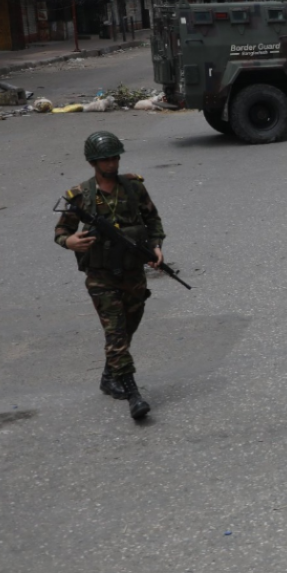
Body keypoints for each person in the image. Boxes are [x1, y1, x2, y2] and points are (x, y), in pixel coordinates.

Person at [54, 131, 166, 419]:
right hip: (101, 276)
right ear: (94, 162)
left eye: (116, 157)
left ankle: (109, 375)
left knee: (129, 324)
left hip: (132, 271)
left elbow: (152, 219)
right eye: (106, 158)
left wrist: (156, 247)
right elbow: (61, 230)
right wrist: (70, 242)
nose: (112, 163)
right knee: (115, 331)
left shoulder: (133, 188)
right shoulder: (80, 196)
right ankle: (133, 394)